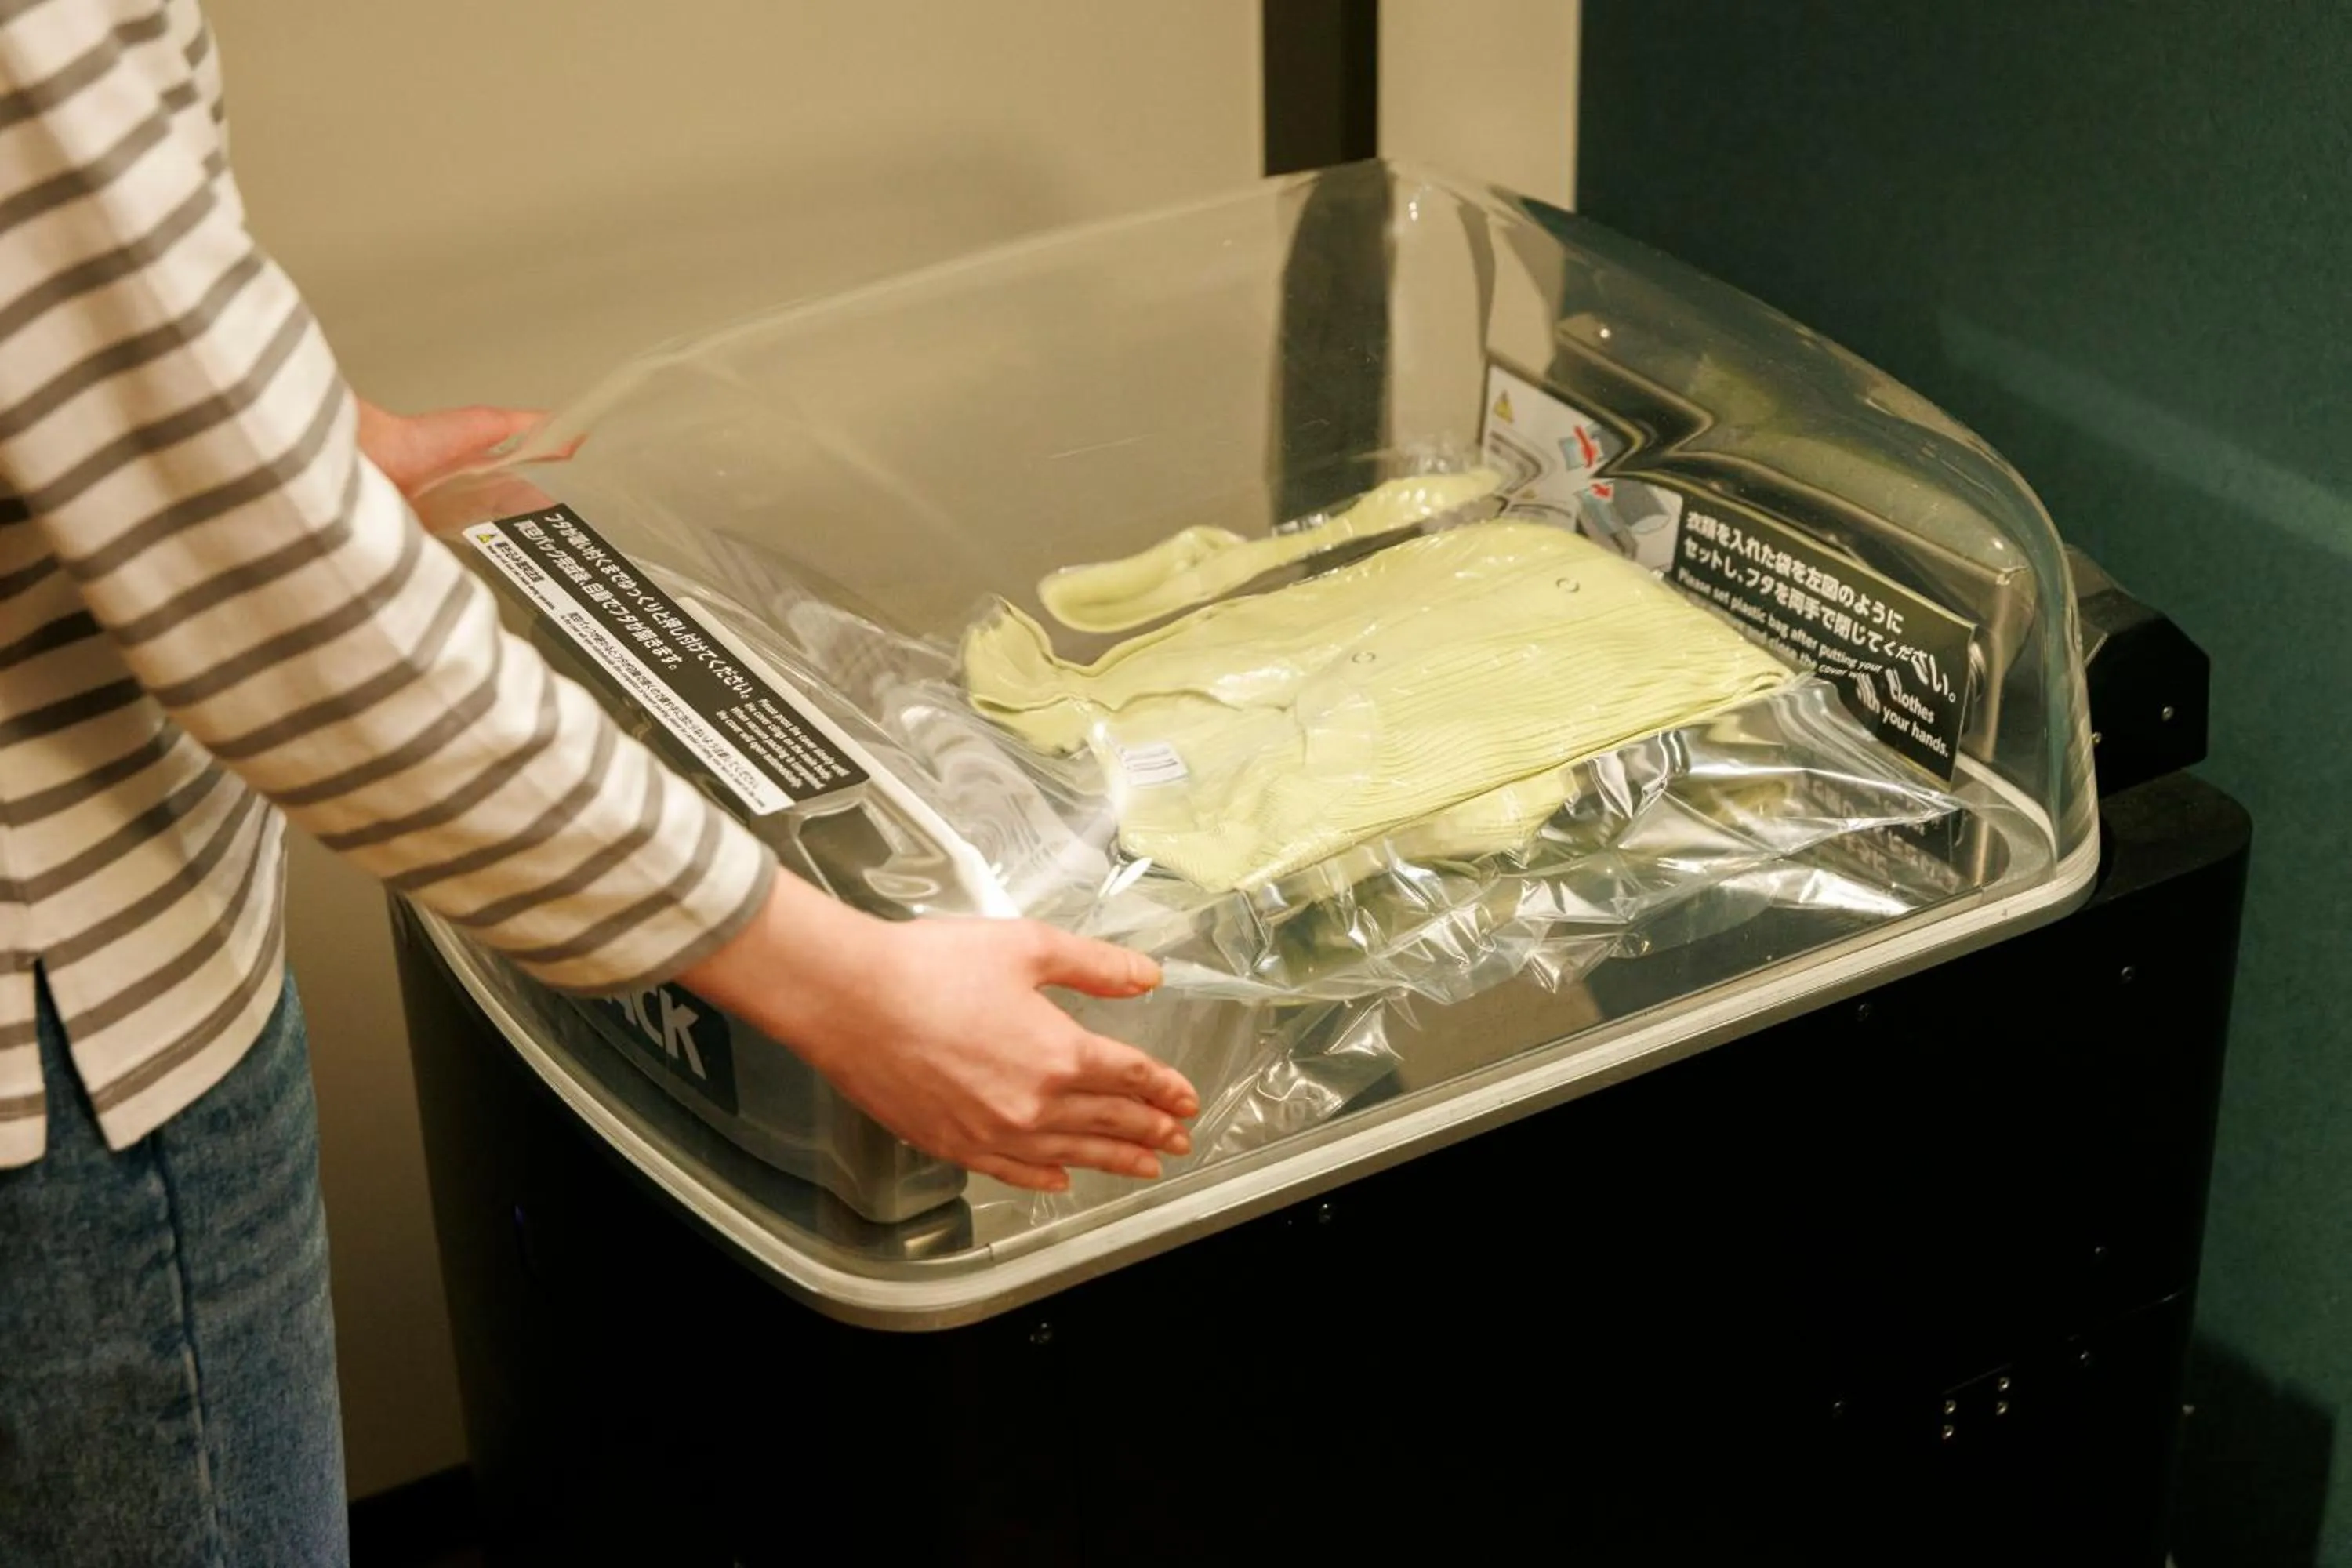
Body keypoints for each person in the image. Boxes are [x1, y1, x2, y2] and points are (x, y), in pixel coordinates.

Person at [0, 2, 1198, 1563]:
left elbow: (81, 318)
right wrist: (839, 984)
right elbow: (284, 623)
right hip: (77, 1027)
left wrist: (299, 447)